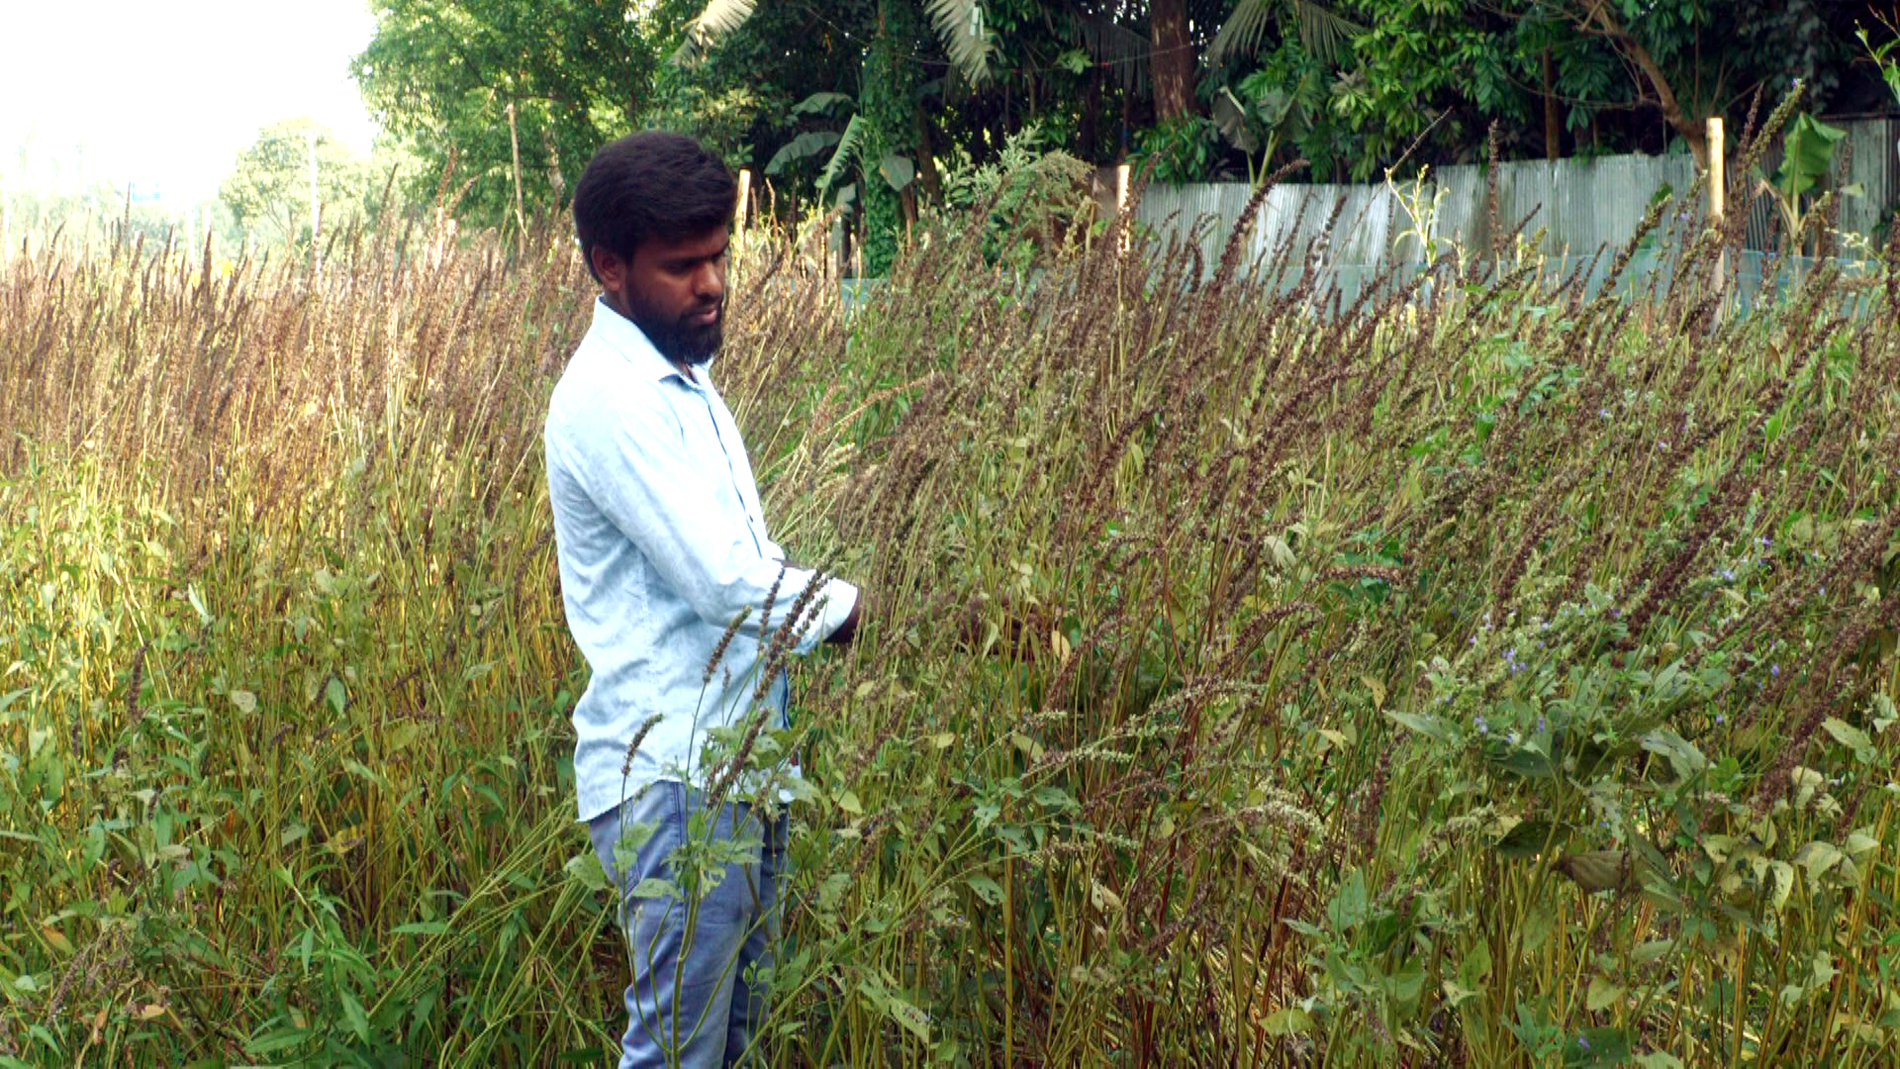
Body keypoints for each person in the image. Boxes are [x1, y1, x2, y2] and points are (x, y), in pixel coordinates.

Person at [544, 130, 863, 1068]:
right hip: (673, 777)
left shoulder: (681, 378)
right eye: (683, 265)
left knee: (731, 1041)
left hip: (732, 764)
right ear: (611, 266)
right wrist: (846, 608)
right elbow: (723, 576)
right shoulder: (613, 398)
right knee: (679, 1052)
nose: (714, 282)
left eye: (720, 255)